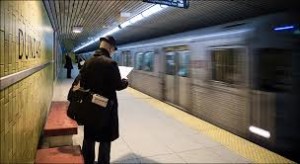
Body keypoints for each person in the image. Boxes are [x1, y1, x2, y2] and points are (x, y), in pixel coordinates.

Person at [79, 35, 128, 164]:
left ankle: (87, 161)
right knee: (105, 142)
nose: (113, 51)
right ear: (110, 47)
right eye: (113, 49)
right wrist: (125, 82)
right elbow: (117, 85)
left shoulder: (88, 62)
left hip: (89, 108)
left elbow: (82, 85)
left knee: (89, 139)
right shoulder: (110, 63)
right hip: (106, 110)